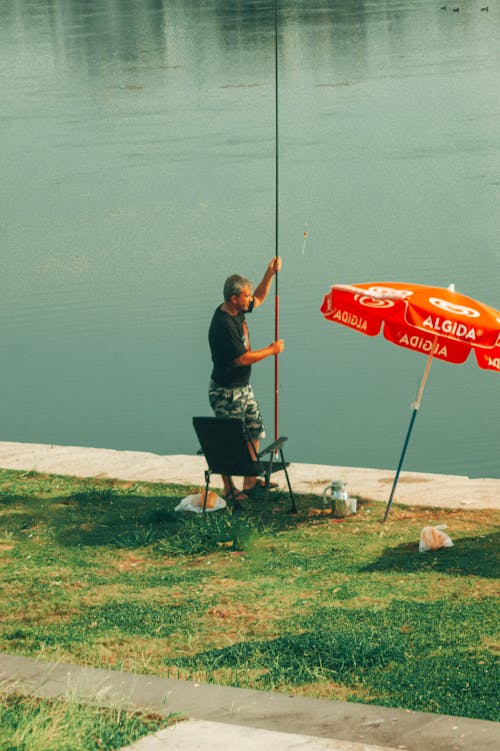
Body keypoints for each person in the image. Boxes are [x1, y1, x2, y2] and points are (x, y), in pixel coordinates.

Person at [208, 257, 284, 500]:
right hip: (226, 392)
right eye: (246, 296)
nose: (250, 299)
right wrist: (271, 350)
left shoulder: (238, 310)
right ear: (234, 299)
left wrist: (269, 273)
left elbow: (260, 298)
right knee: (229, 442)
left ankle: (250, 482)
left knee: (255, 430)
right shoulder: (223, 324)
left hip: (243, 388)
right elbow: (242, 359)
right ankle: (229, 490)